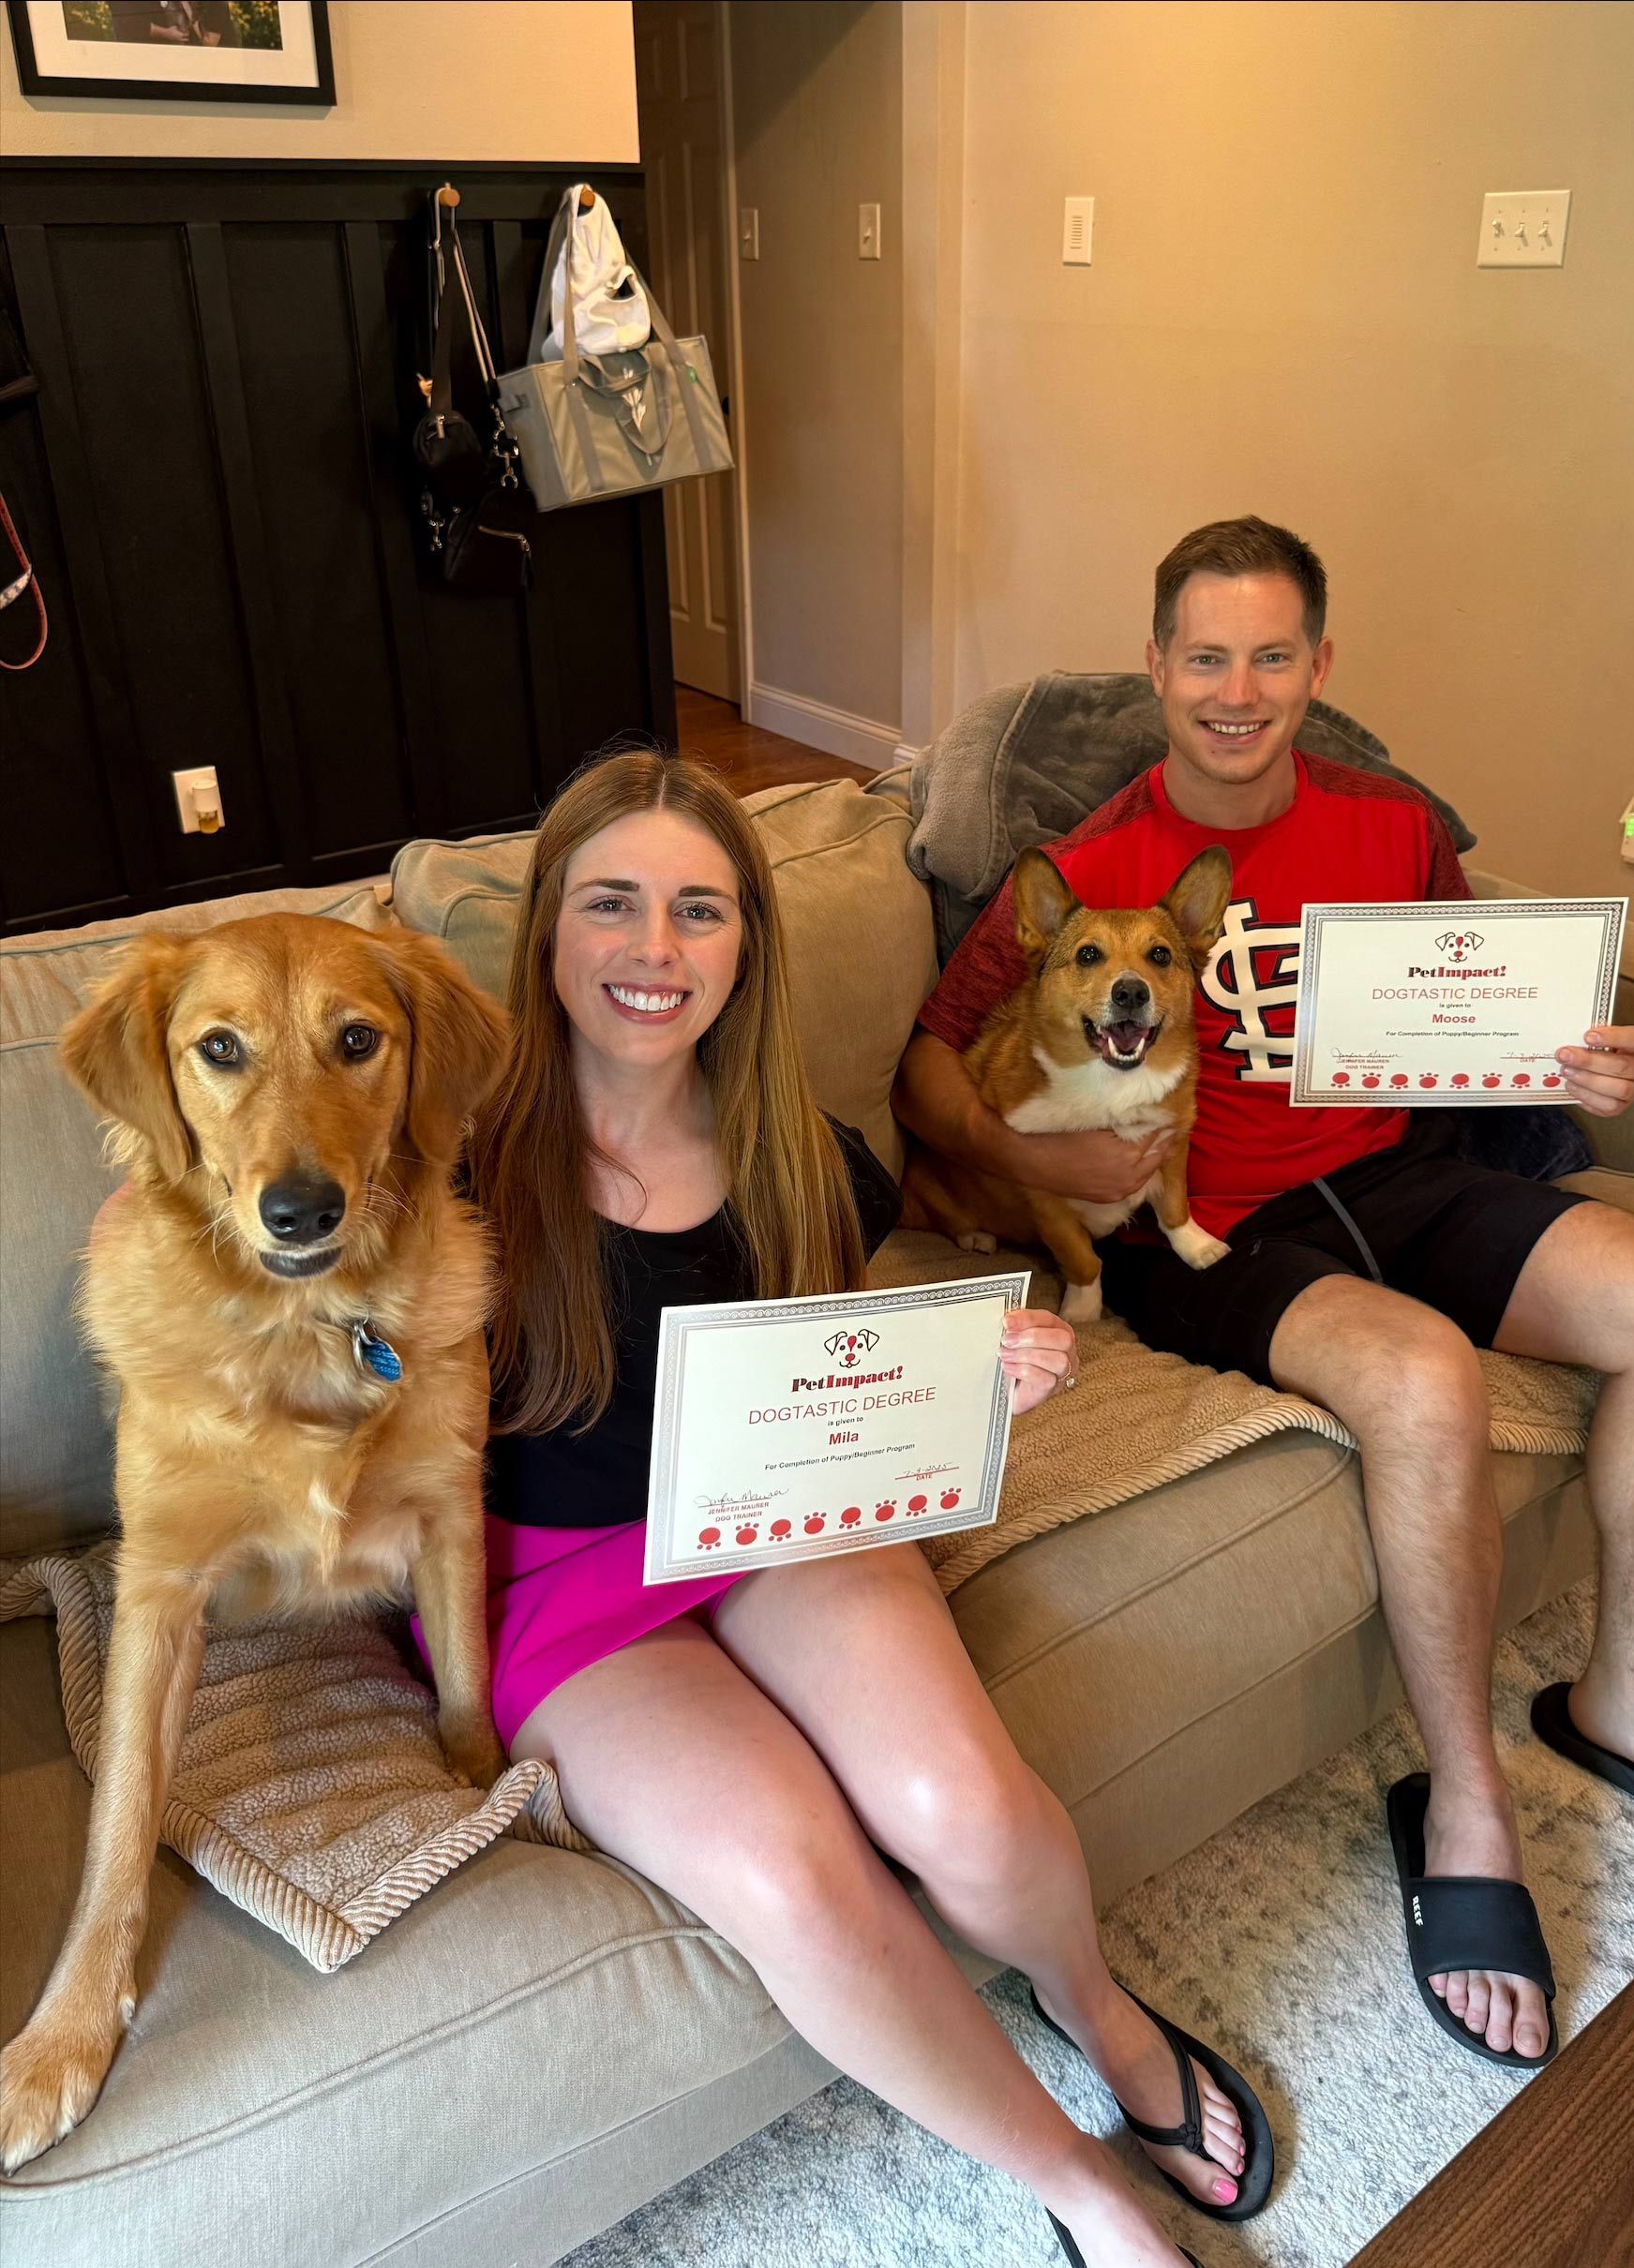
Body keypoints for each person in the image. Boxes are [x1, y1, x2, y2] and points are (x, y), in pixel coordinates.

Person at [894, 517, 1634, 2073]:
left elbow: (1493, 1005)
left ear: (1318, 668)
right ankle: (1466, 1804)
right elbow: (930, 1056)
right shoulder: (1095, 865)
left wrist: (1591, 1060)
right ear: (1158, 667)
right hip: (1217, 1221)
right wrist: (1027, 1161)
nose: (1238, 691)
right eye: (1207, 656)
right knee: (1421, 1380)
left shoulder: (1393, 830)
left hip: (1404, 1176)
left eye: (1272, 656)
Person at [455, 751, 1276, 2268]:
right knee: (790, 1870)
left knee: (960, 1805)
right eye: (613, 905)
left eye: (700, 911)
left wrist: (968, 1369)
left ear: (746, 944)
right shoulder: (448, 1146)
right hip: (562, 1580)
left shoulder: (802, 1152)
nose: (655, 951)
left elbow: (830, 1367)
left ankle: (1094, 2005)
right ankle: (1083, 2188)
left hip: (777, 1515)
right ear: (547, 930)